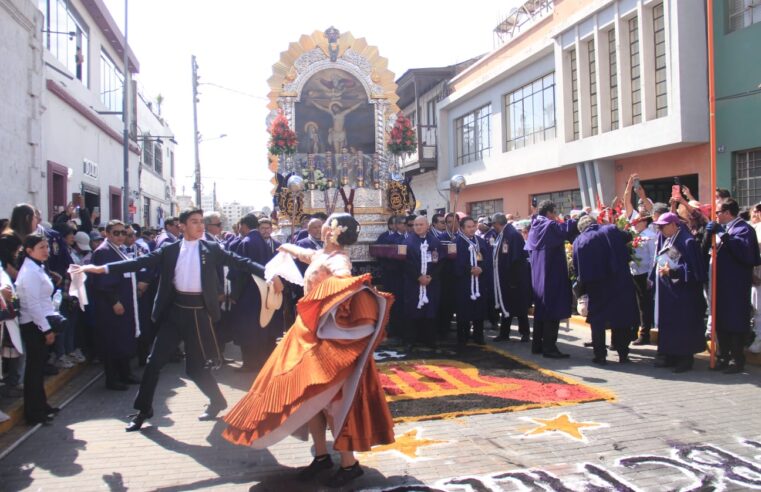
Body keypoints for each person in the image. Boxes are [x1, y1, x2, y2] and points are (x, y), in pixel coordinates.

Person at [222, 213, 394, 488]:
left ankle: (349, 464)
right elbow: (304, 254)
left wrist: (337, 290)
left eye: (327, 222)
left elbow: (345, 280)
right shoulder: (319, 254)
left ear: (334, 231)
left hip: (327, 341)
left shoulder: (339, 260)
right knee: (308, 399)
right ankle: (322, 456)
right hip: (306, 333)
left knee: (334, 401)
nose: (322, 225)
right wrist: (284, 247)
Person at [73, 208, 283, 431]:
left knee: (195, 368)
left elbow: (242, 261)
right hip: (175, 312)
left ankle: (217, 401)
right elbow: (138, 262)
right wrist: (99, 268)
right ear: (182, 226)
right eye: (194, 222)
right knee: (154, 363)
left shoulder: (211, 249)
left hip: (199, 313)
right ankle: (143, 410)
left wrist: (269, 274)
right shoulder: (170, 250)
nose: (200, 226)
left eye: (202, 222)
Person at [573, 216, 638, 364]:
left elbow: (577, 269)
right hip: (619, 281)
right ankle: (623, 354)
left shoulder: (578, 241)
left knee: (598, 321)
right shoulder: (610, 230)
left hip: (596, 286)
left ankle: (600, 355)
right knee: (621, 318)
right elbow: (628, 236)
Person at [709, 198, 760, 373]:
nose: (715, 215)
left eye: (718, 212)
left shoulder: (744, 229)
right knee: (721, 322)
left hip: (736, 285)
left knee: (735, 322)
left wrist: (723, 235)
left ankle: (737, 360)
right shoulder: (725, 229)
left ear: (728, 213)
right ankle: (723, 356)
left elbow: (744, 253)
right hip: (721, 284)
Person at [651, 212, 707, 373]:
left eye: (663, 226)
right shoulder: (669, 239)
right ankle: (671, 355)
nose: (660, 229)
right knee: (670, 325)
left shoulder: (687, 241)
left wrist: (674, 272)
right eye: (659, 227)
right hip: (670, 292)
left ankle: (685, 359)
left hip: (684, 293)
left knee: (683, 326)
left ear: (673, 224)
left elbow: (696, 271)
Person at [14, 234, 60, 425]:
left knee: (39, 368)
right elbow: (32, 305)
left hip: (40, 321)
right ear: (29, 250)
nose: (46, 250)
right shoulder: (30, 271)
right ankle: (34, 413)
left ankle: (41, 405)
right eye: (41, 247)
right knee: (34, 370)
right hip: (34, 325)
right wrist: (46, 330)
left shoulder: (37, 267)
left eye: (47, 247)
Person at [91, 220, 141, 390]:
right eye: (116, 233)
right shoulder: (103, 252)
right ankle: (112, 379)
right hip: (111, 306)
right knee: (112, 342)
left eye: (123, 233)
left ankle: (125, 374)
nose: (120, 236)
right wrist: (114, 301)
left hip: (125, 303)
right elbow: (102, 282)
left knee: (123, 340)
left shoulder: (118, 250)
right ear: (107, 233)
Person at [525, 200, 576, 358]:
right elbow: (566, 230)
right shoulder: (549, 225)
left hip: (538, 277)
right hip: (552, 275)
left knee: (541, 312)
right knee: (553, 313)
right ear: (549, 213)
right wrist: (577, 217)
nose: (556, 216)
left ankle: (537, 346)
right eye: (555, 212)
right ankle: (549, 348)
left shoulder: (534, 225)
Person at [491, 213, 532, 342]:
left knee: (519, 307)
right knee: (507, 306)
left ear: (497, 224)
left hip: (514, 279)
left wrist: (514, 279)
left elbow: (517, 259)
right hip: (505, 278)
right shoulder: (503, 234)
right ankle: (504, 333)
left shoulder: (512, 235)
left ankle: (525, 333)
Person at [402, 216, 442, 351]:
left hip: (431, 283)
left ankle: (430, 340)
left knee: (429, 311)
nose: (417, 227)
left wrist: (431, 277)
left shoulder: (435, 242)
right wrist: (418, 277)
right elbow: (405, 263)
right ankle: (410, 340)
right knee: (412, 310)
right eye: (415, 225)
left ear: (428, 225)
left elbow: (440, 262)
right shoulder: (407, 242)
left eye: (420, 224)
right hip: (414, 283)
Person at [454, 216, 491, 347]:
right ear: (462, 229)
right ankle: (462, 336)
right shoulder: (457, 242)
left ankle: (478, 335)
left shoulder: (480, 241)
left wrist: (481, 268)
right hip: (464, 281)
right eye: (468, 227)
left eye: (473, 226)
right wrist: (469, 269)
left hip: (479, 280)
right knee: (464, 310)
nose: (471, 229)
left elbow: (488, 259)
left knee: (479, 309)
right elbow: (455, 262)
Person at [630, 212, 657, 345]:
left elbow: (653, 258)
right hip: (635, 272)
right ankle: (634, 331)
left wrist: (650, 277)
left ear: (645, 222)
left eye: (638, 222)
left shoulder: (650, 236)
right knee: (636, 304)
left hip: (645, 274)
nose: (635, 224)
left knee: (644, 305)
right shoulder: (637, 235)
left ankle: (644, 333)